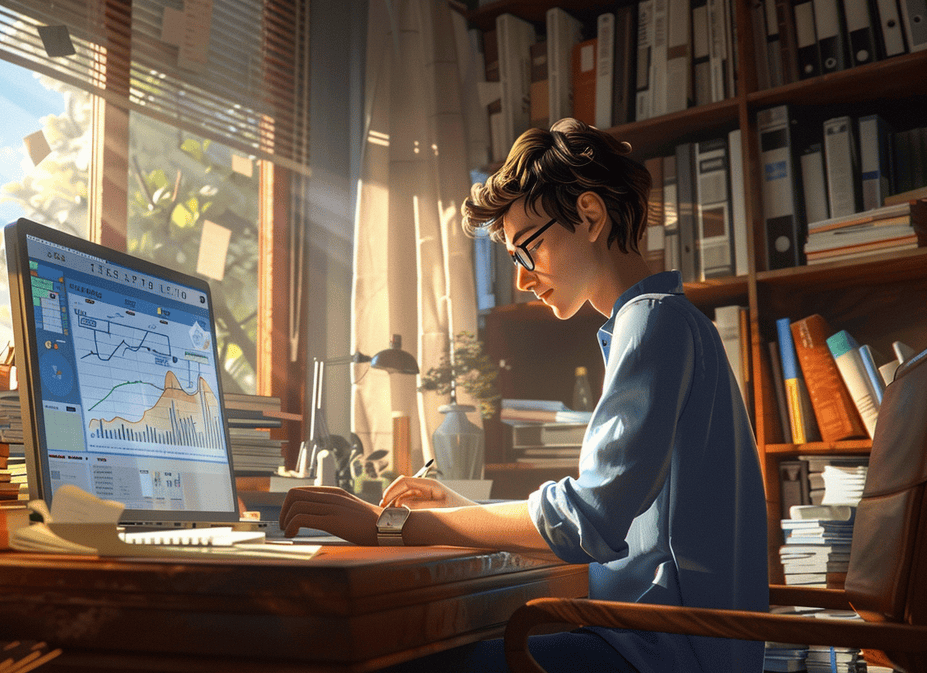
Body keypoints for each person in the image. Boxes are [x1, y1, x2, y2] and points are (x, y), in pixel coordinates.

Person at [279, 118, 769, 673]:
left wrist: (384, 524)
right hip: (671, 645)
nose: (522, 278)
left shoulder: (651, 324)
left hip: (661, 654)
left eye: (525, 250)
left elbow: (589, 521)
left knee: (388, 660)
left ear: (587, 215)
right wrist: (465, 511)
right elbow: (610, 517)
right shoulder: (670, 322)